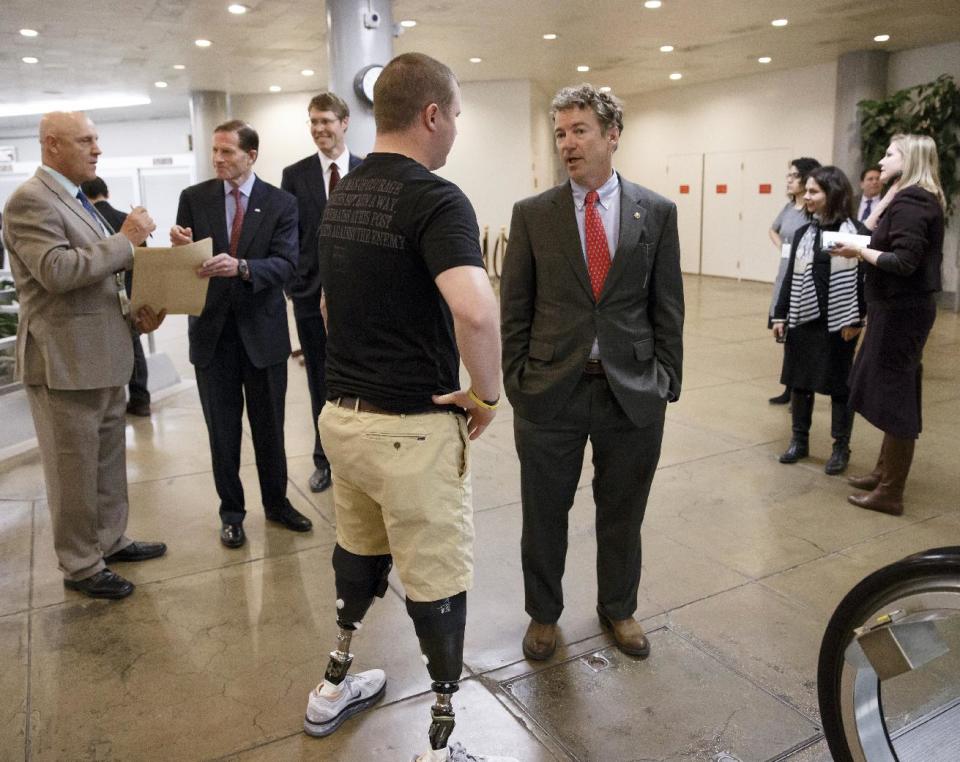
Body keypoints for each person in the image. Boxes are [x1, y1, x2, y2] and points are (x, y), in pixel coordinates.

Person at [306, 53, 511, 762]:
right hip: (412, 432)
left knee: (358, 553)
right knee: (436, 578)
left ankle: (333, 683)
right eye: (454, 114)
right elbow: (476, 313)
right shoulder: (437, 198)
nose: (454, 128)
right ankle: (442, 738)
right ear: (432, 114)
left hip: (341, 419)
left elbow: (331, 306)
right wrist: (486, 395)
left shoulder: (343, 193)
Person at [501, 84, 684, 663]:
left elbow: (668, 304)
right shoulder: (533, 215)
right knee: (544, 513)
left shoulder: (655, 212)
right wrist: (517, 382)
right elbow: (515, 307)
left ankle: (618, 607)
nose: (567, 144)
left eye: (579, 130)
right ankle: (543, 614)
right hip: (550, 391)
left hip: (630, 392)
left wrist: (667, 381)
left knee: (623, 510)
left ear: (612, 135)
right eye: (559, 133)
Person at [2, 111, 166, 599]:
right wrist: (127, 240)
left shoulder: (76, 198)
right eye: (86, 141)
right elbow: (55, 271)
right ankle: (80, 565)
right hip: (63, 361)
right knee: (72, 470)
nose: (97, 149)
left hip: (103, 352)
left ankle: (110, 540)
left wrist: (134, 312)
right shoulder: (29, 201)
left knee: (107, 461)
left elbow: (99, 275)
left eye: (96, 140)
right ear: (52, 145)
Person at [170, 119, 312, 549]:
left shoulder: (281, 203)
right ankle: (231, 513)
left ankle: (278, 504)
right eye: (214, 151)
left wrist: (243, 267)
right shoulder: (193, 199)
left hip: (262, 336)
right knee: (223, 432)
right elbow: (184, 264)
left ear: (251, 156)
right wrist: (180, 247)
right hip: (212, 336)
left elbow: (288, 265)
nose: (217, 159)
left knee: (270, 428)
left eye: (227, 152)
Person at [830, 134, 945, 515]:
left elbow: (903, 262)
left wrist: (861, 250)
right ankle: (883, 473)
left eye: (891, 153)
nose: (881, 159)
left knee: (895, 396)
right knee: (894, 389)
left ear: (910, 159)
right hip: (896, 309)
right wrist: (878, 214)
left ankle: (891, 491)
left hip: (901, 312)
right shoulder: (907, 197)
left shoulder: (914, 202)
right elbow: (880, 237)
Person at [281, 92, 362, 494]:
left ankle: (361, 459)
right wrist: (298, 287)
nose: (319, 129)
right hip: (311, 298)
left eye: (326, 121)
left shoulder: (368, 171)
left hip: (362, 300)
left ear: (344, 123)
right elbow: (289, 237)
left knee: (362, 379)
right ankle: (324, 459)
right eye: (313, 122)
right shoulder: (294, 176)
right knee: (320, 381)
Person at [772, 166, 866, 474]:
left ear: (833, 194)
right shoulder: (803, 233)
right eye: (807, 191)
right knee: (800, 383)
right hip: (803, 318)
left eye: (814, 192)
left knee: (840, 386)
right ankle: (799, 441)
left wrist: (858, 319)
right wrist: (780, 315)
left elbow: (866, 281)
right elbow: (789, 278)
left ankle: (841, 446)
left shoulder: (858, 234)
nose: (807, 197)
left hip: (840, 322)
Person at [80, 176, 151, 417]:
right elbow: (145, 259)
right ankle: (140, 398)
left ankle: (110, 403)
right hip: (133, 290)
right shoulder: (125, 219)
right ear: (107, 193)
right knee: (134, 343)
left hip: (103, 294)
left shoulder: (87, 222)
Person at [767, 157, 821, 404]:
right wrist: (785, 249)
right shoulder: (789, 208)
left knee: (801, 339)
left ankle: (801, 390)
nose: (788, 180)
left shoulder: (814, 213)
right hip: (784, 276)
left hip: (804, 280)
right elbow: (773, 229)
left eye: (793, 176)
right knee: (786, 336)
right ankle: (789, 388)